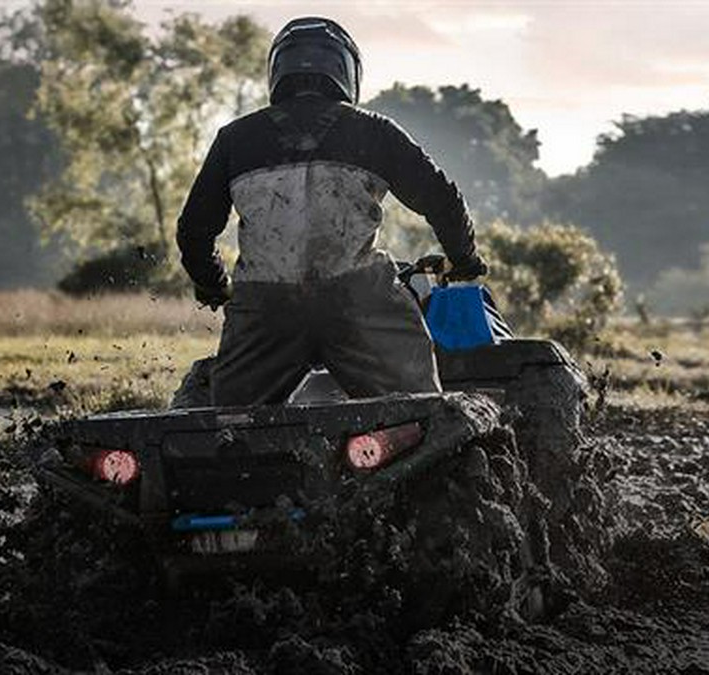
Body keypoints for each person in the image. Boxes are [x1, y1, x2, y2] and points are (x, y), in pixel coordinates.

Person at [176, 16, 487, 406]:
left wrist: (214, 286)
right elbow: (444, 200)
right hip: (359, 300)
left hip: (265, 309)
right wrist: (464, 259)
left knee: (231, 427)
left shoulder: (234, 138)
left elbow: (193, 231)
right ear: (346, 70)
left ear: (278, 71)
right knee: (419, 414)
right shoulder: (374, 130)